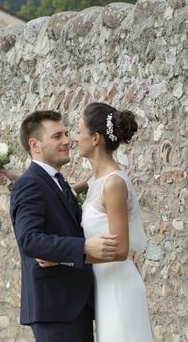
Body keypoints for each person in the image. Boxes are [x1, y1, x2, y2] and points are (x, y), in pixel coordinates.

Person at [8, 110, 118, 342]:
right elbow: (29, 239)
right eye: (57, 136)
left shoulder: (55, 182)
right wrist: (84, 247)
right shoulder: (30, 184)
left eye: (67, 134)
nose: (67, 140)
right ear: (35, 145)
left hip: (75, 304)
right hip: (55, 307)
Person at [71, 102, 153, 341]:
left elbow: (120, 249)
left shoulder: (114, 184)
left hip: (119, 286)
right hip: (105, 287)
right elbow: (54, 187)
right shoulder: (96, 181)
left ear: (95, 138)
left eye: (78, 131)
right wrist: (10, 178)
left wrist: (69, 256)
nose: (75, 138)